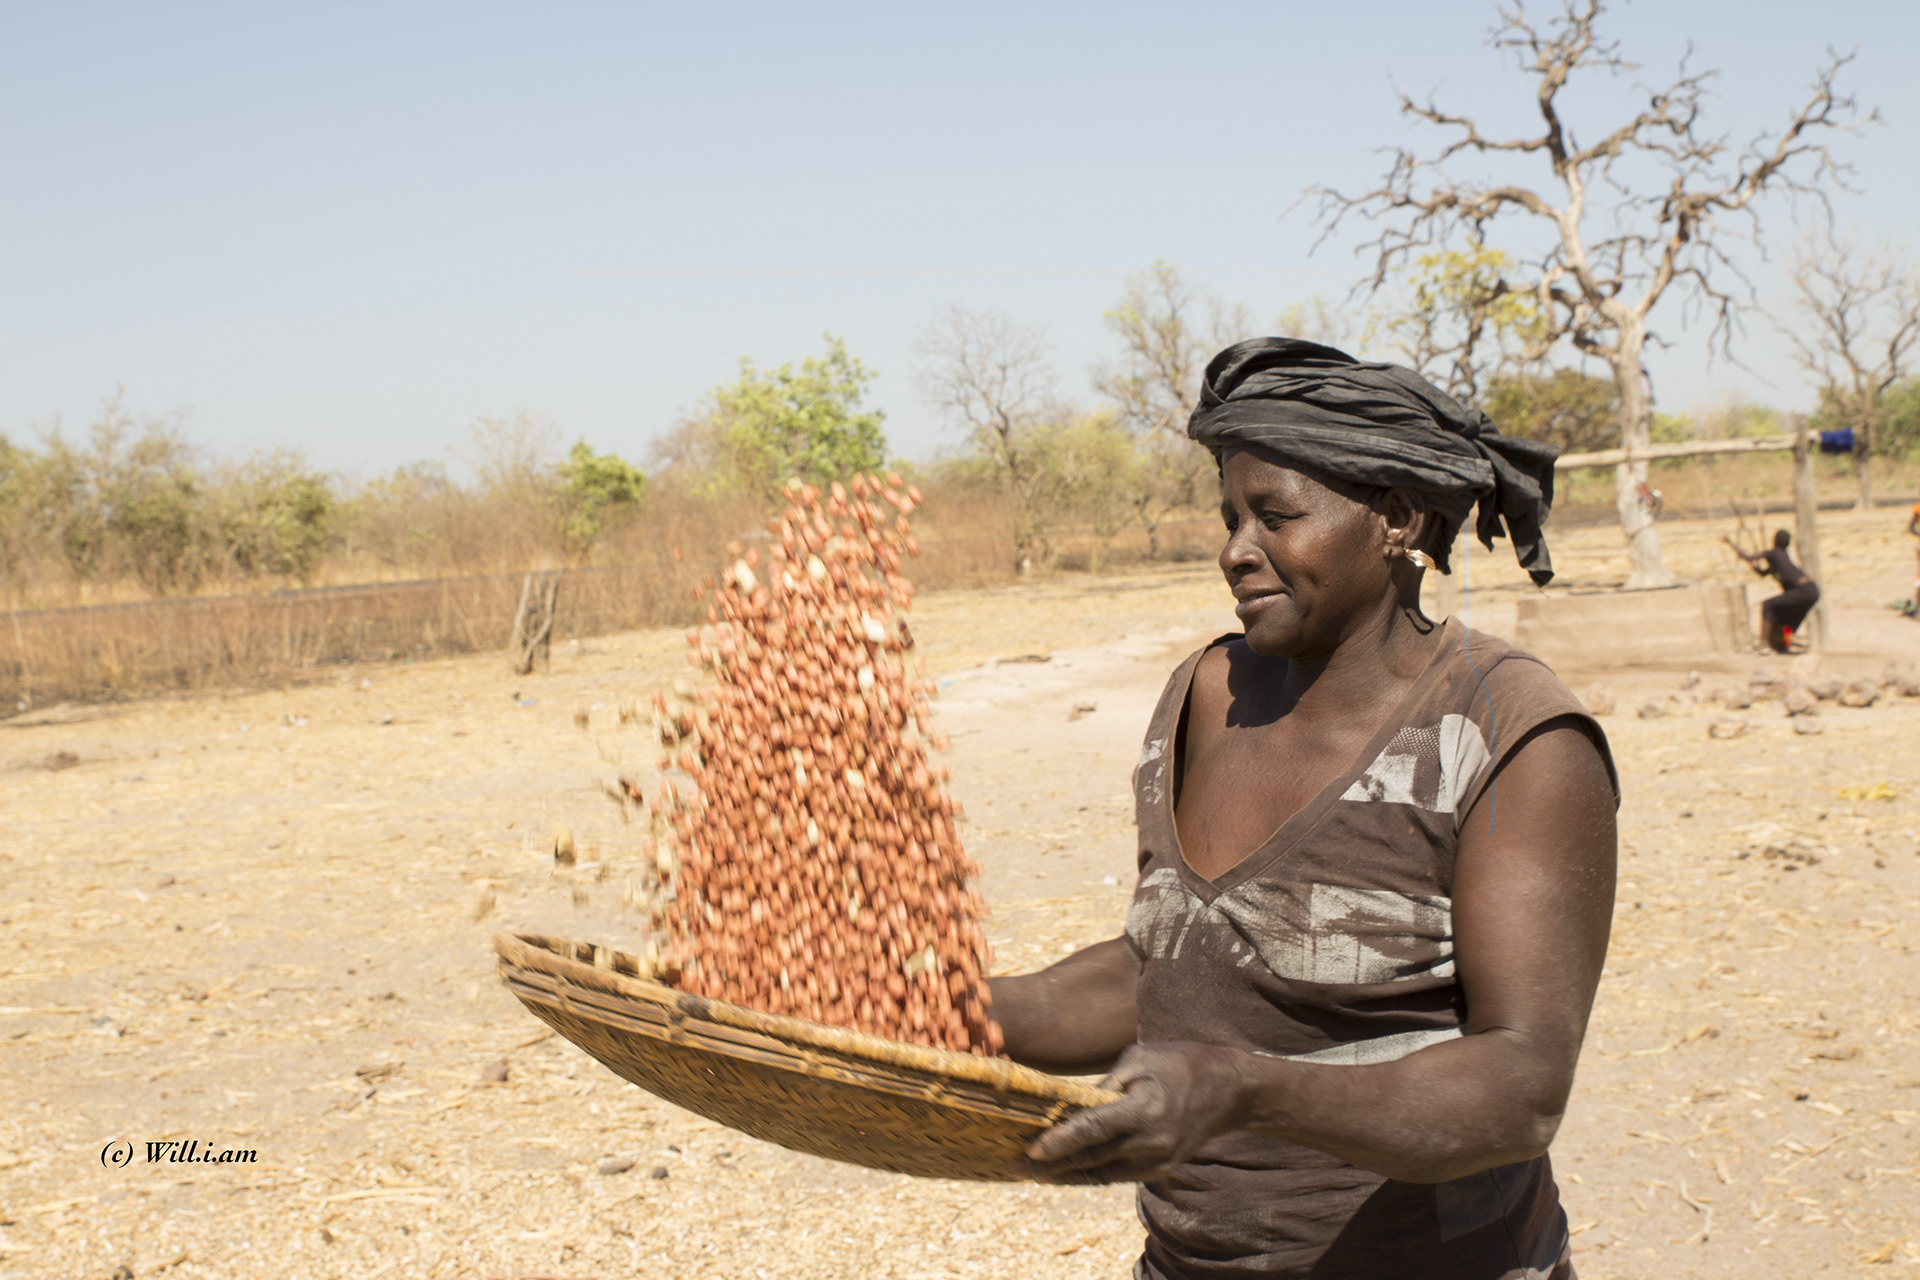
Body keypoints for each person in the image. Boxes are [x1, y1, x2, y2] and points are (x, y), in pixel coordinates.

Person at [989, 338, 1619, 1280]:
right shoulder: (1206, 692)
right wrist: (956, 1013)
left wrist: (1240, 1091)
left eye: (1274, 517)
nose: (1235, 552)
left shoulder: (1506, 732)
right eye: (1231, 518)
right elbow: (1170, 966)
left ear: (1396, 518)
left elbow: (1521, 1085)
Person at [1722, 529, 1820, 652]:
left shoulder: (1774, 553)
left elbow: (1747, 556)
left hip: (1803, 590)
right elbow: (1762, 573)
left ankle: (1764, 644)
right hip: (1812, 591)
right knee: (1789, 618)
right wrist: (1754, 565)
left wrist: (1730, 542)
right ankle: (1784, 646)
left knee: (1767, 604)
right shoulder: (1781, 557)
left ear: (1774, 541)